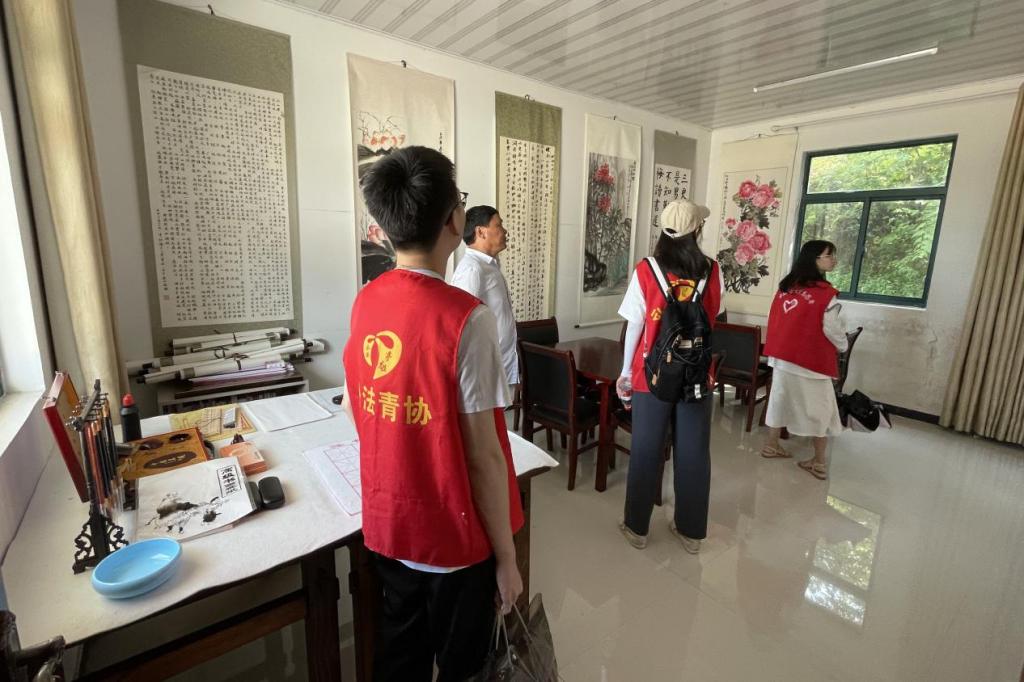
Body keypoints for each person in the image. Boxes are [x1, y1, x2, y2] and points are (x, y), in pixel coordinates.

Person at [341, 146, 524, 681]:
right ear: (454, 221)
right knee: (461, 664)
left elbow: (356, 408)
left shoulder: (366, 300)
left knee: (401, 656)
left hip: (391, 526)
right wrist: (508, 560)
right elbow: (484, 457)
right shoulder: (466, 320)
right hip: (452, 537)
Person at [615, 199, 724, 553]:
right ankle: (691, 533)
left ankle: (637, 528)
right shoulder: (712, 270)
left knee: (646, 449)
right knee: (694, 452)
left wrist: (624, 373)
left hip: (651, 374)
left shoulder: (647, 269)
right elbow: (713, 316)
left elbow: (635, 325)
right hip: (697, 373)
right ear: (697, 229)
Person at [759, 240, 848, 481]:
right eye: (829, 255)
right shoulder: (825, 294)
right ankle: (818, 462)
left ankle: (771, 445)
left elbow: (775, 319)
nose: (833, 260)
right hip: (810, 360)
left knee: (779, 399)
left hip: (782, 356)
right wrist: (843, 345)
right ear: (814, 259)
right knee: (821, 408)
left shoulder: (786, 288)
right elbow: (832, 328)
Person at [451, 206, 519, 389]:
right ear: (480, 232)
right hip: (483, 372)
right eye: (499, 225)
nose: (504, 231)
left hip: (499, 366)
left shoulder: (488, 265)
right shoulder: (472, 269)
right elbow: (459, 323)